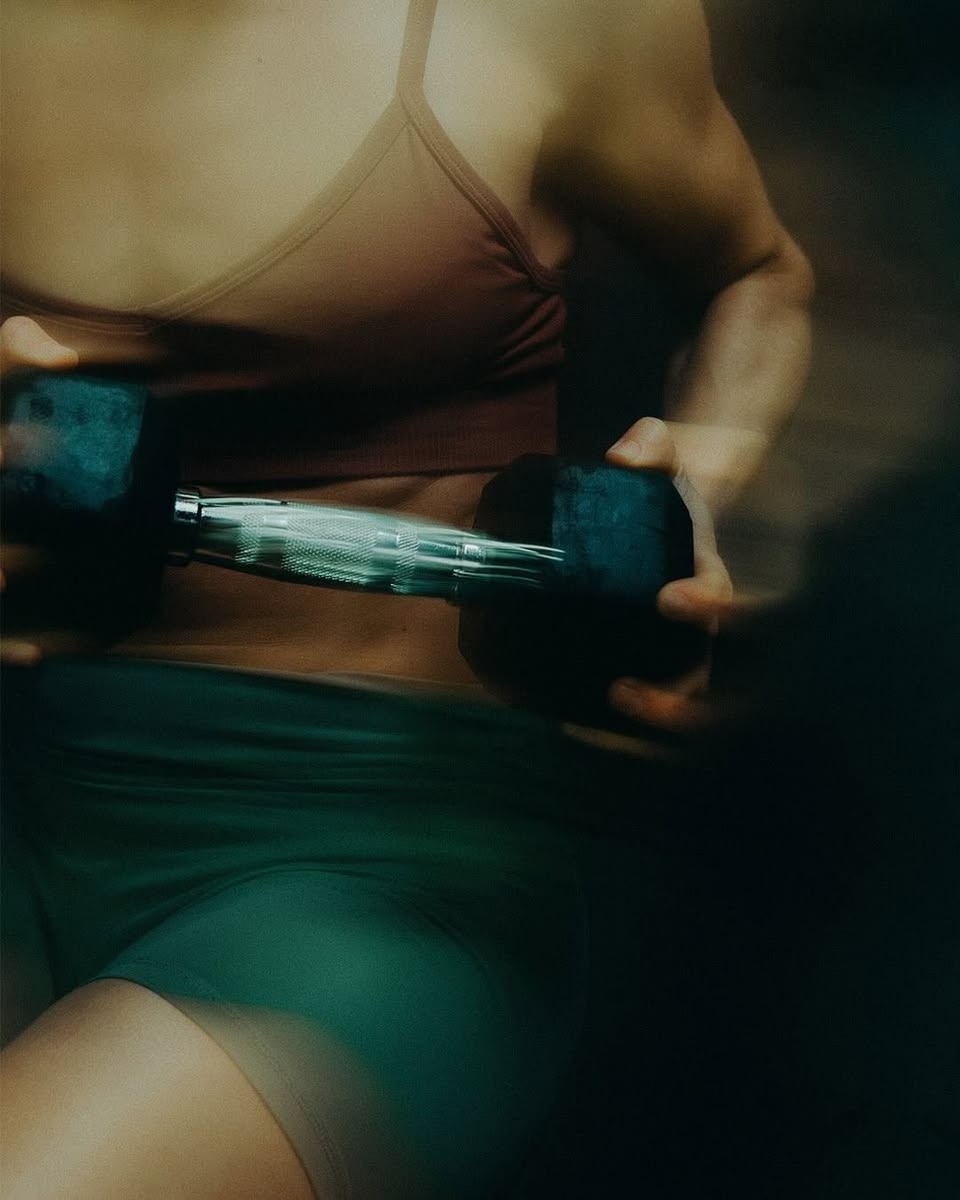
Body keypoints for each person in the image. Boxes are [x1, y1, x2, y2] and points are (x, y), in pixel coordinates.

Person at [0, 1, 813, 1196]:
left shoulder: (550, 20)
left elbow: (758, 277)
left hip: (373, 869)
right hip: (29, 792)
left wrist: (700, 474)